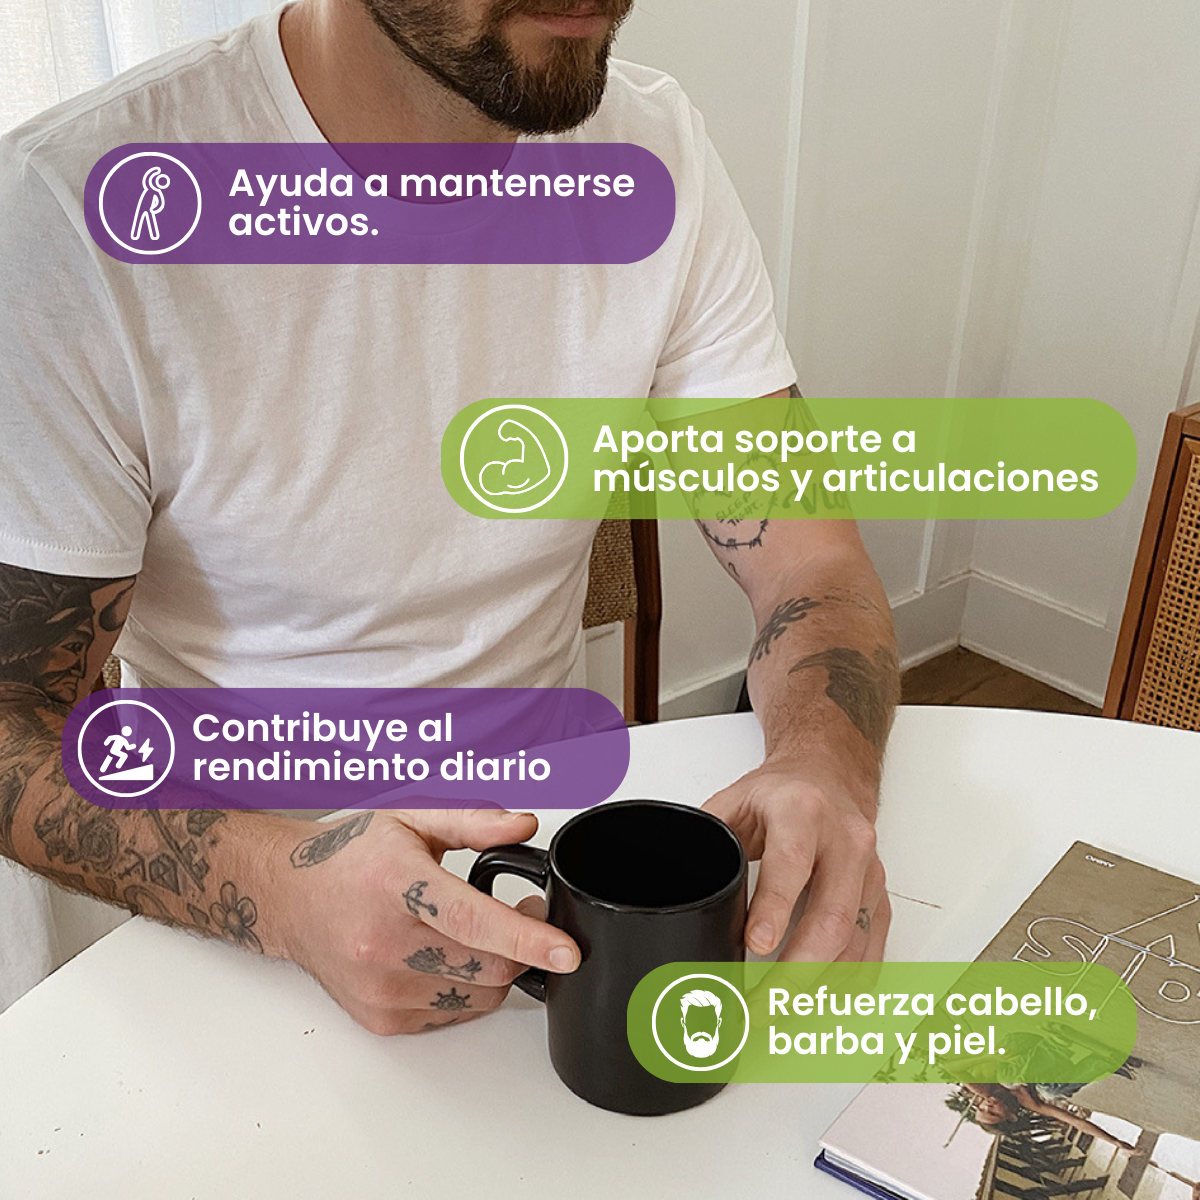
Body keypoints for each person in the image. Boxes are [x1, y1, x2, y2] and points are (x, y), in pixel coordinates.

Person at [0, 0, 899, 1035]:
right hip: (231, 927)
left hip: (548, 880)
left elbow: (811, 567)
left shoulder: (658, 153)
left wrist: (822, 764)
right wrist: (284, 893)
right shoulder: (71, 214)